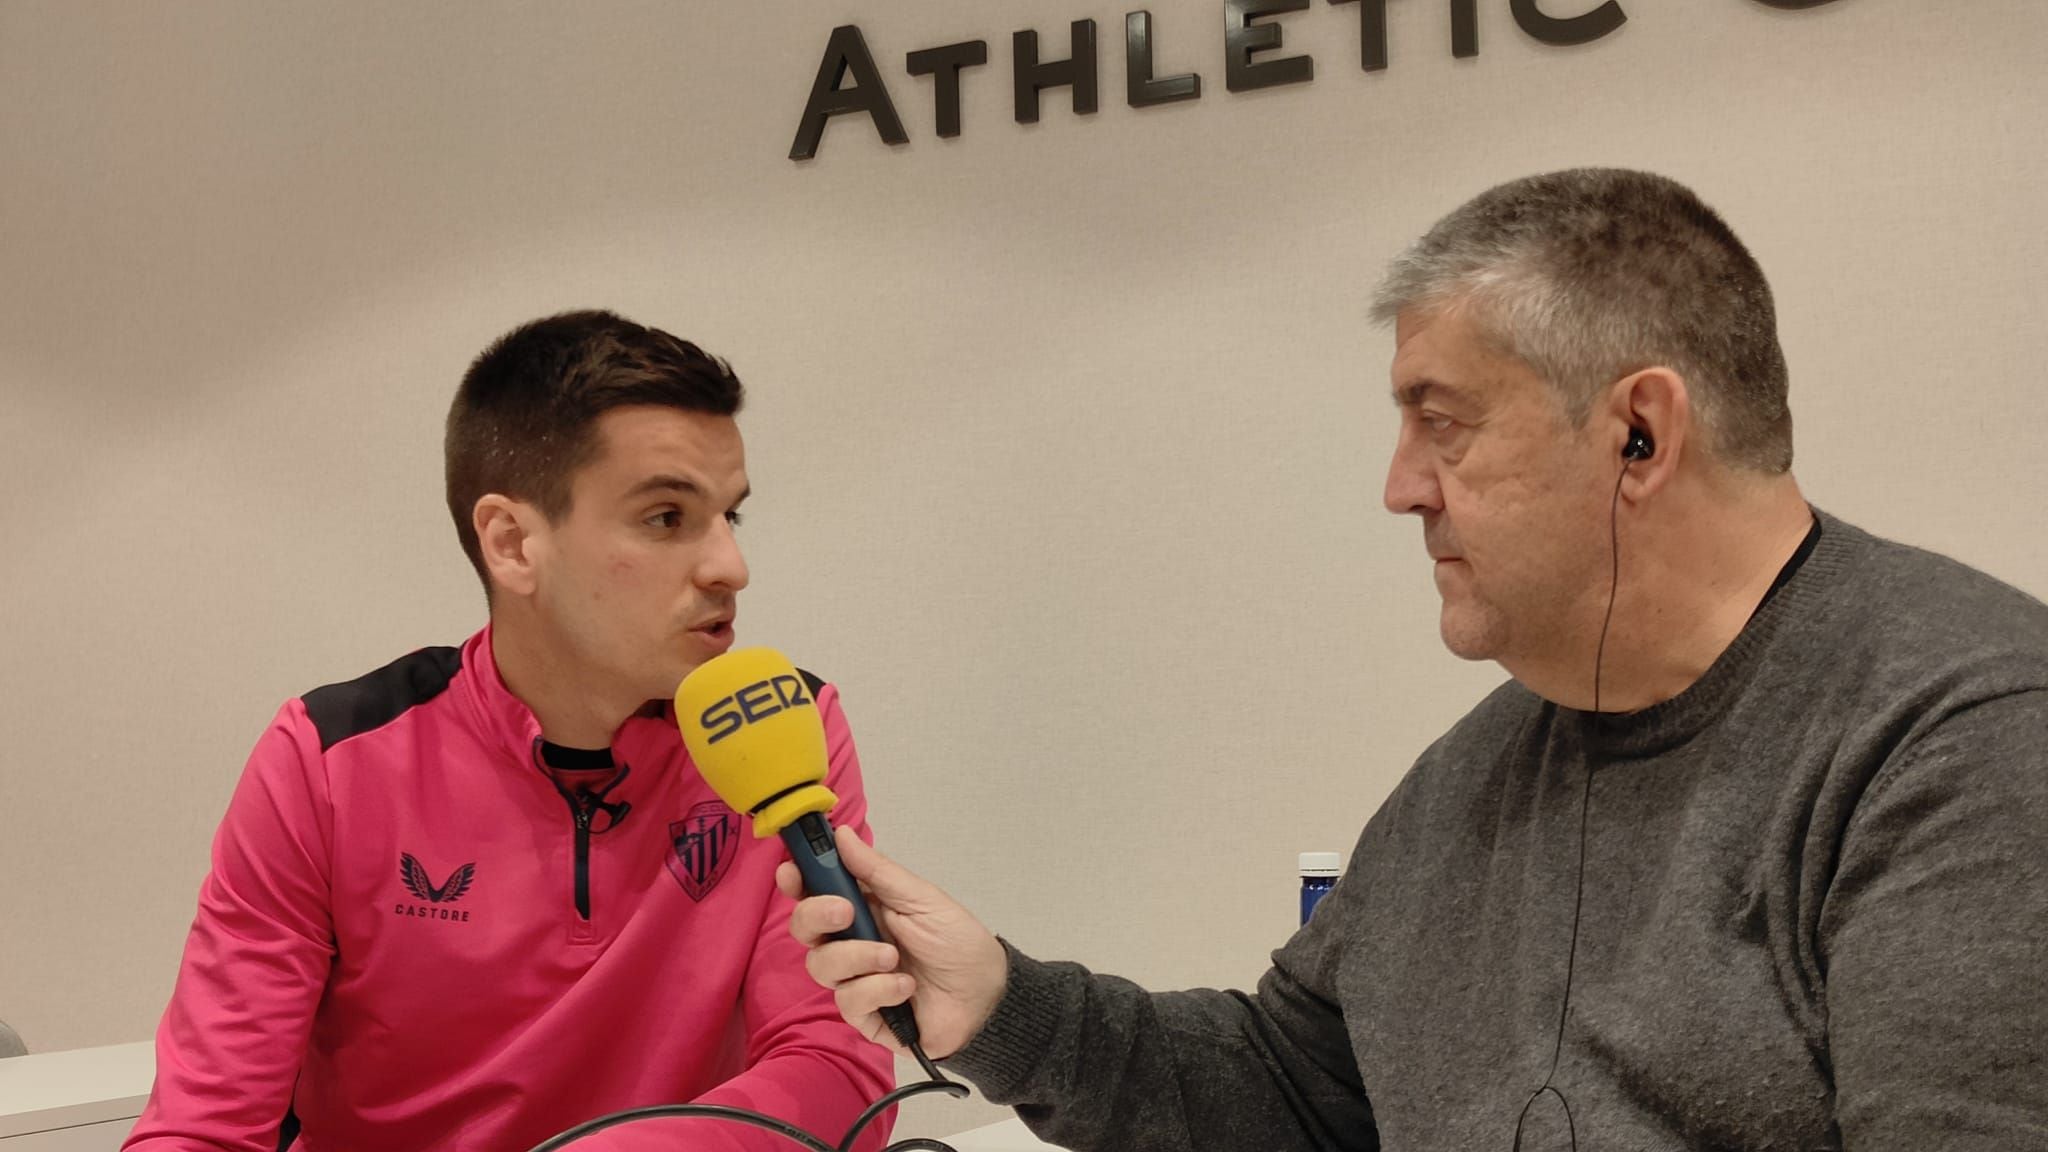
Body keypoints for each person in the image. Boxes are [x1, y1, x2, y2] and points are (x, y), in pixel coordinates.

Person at [782, 170, 2048, 1149]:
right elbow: (1295, 1095)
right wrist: (1004, 1005)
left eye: (1442, 428)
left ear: (1638, 439)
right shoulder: (1480, 772)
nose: (1399, 491)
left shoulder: (1965, 741)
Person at [127, 311, 896, 1152]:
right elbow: (203, 1127)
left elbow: (838, 1068)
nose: (730, 567)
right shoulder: (327, 761)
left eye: (730, 518)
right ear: (512, 543)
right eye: (667, 518)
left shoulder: (784, 721)